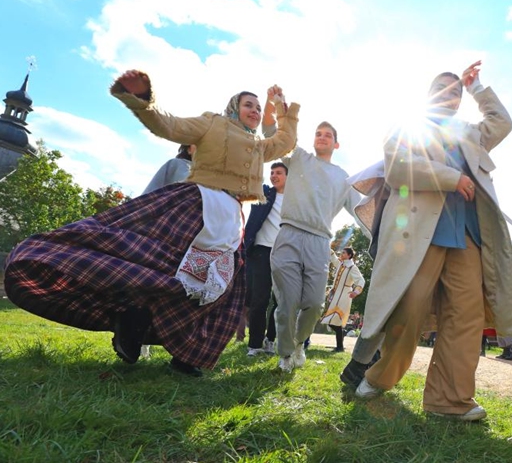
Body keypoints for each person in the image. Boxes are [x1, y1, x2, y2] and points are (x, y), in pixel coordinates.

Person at [3, 69, 300, 377]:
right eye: (247, 104)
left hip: (231, 220)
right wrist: (143, 101)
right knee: (158, 266)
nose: (254, 110)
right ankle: (132, 317)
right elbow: (168, 125)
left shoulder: (259, 146)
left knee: (218, 289)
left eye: (256, 106)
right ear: (233, 107)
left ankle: (183, 353)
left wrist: (280, 108)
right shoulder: (212, 123)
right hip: (196, 205)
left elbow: (285, 140)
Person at [351, 61, 512, 422]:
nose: (451, 94)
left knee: (466, 317)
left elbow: (503, 123)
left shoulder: (471, 133)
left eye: (456, 91)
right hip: (418, 235)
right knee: (409, 310)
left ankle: (449, 400)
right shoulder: (407, 126)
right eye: (443, 88)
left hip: (468, 238)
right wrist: (450, 178)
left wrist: (477, 88)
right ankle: (379, 377)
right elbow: (398, 169)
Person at [271, 121, 365, 373]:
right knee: (288, 301)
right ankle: (285, 354)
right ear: (313, 140)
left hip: (319, 241)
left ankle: (300, 343)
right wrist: (273, 112)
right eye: (318, 134)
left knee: (313, 303)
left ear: (336, 144)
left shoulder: (343, 178)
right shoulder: (299, 157)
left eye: (328, 135)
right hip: (289, 234)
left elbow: (360, 211)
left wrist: (379, 235)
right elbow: (274, 137)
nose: (322, 138)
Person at [139, 143, 197, 359]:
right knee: (153, 288)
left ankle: (181, 350)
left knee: (184, 292)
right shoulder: (176, 166)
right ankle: (140, 338)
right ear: (190, 148)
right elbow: (149, 196)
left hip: (194, 242)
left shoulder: (215, 177)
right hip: (165, 237)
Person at [242, 161, 288, 357]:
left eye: (279, 173)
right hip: (260, 251)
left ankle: (271, 340)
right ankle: (254, 344)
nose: (274, 176)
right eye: (272, 172)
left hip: (284, 254)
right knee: (259, 300)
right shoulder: (264, 193)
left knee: (280, 301)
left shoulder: (295, 200)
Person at [320, 247, 365, 352]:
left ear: (349, 255)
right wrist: (326, 244)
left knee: (335, 320)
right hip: (335, 295)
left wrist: (356, 291)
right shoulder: (341, 264)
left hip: (345, 295)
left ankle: (340, 345)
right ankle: (341, 340)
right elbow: (333, 258)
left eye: (344, 253)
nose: (342, 253)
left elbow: (361, 280)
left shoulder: (352, 267)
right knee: (332, 321)